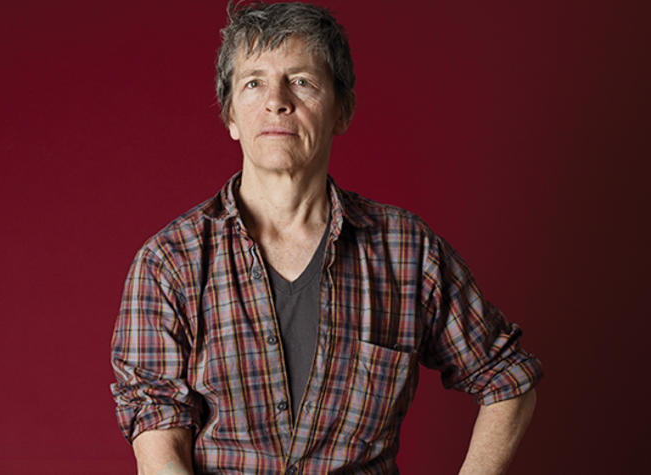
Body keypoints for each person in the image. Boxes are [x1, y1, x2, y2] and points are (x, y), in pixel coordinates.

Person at [110, 2, 543, 473]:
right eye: (253, 82)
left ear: (342, 110)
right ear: (230, 116)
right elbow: (159, 437)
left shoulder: (408, 253)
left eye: (301, 81)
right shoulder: (169, 262)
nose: (277, 100)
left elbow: (507, 377)